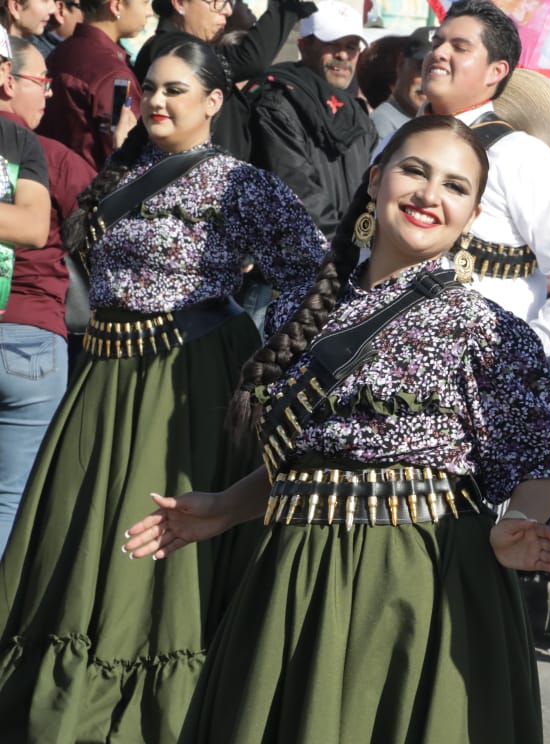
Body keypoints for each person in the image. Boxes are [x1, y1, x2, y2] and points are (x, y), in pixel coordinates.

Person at [121, 114, 550, 743]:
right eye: (415, 171)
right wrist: (226, 508)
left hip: (415, 576)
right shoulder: (302, 308)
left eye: (456, 187)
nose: (430, 195)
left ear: (474, 216)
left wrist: (516, 522)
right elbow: (311, 460)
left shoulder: (486, 326)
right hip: (294, 569)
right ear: (376, 181)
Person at [0, 40, 326, 743]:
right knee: (76, 538)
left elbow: (312, 276)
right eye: (149, 86)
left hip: (188, 378)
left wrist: (271, 363)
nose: (156, 100)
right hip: (103, 379)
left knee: (155, 546)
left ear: (214, 102)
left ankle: (151, 709)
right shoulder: (119, 173)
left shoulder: (241, 184)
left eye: (176, 89)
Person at [376, 0, 550, 358]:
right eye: (437, 42)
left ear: (495, 71)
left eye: (459, 47)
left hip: (472, 380)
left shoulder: (520, 156)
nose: (438, 53)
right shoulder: (396, 144)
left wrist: (521, 352)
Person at [249, 0, 377, 241]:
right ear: (304, 45)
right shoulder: (278, 104)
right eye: (331, 44)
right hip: (297, 257)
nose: (342, 55)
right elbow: (297, 191)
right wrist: (340, 248)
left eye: (351, 46)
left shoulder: (359, 116)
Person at [133, 0, 305, 161]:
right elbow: (250, 59)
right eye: (217, 2)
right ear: (179, 3)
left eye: (229, 2)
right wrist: (286, 5)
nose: (227, 11)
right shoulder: (168, 48)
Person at [0, 28, 52, 559]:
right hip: (29, 342)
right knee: (8, 501)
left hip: (22, 340)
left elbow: (34, 225)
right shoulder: (23, 141)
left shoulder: (22, 141)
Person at [38, 0, 149, 170]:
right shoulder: (115, 75)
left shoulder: (60, 52)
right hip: (92, 187)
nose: (149, 11)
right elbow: (123, 149)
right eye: (145, 3)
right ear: (116, 6)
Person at [368, 25, 428, 140]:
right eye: (420, 68)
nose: (427, 80)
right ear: (401, 64)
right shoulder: (382, 124)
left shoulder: (427, 121)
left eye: (433, 71)